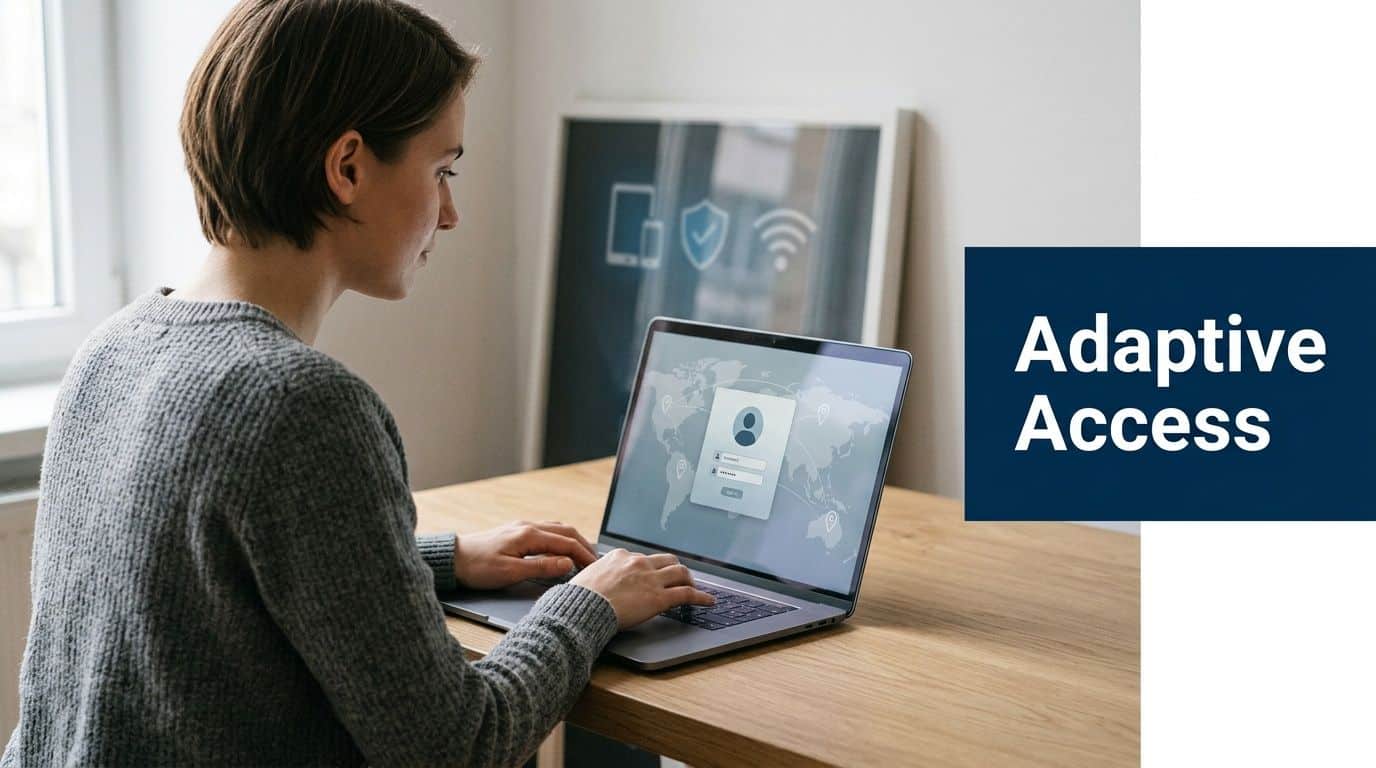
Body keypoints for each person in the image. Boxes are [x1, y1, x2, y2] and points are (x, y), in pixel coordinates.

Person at [0, 1, 714, 765]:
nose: (450, 213)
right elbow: (457, 745)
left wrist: (438, 559)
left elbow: (214, 590)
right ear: (347, 168)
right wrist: (589, 604)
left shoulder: (114, 348)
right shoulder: (298, 405)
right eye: (442, 171)